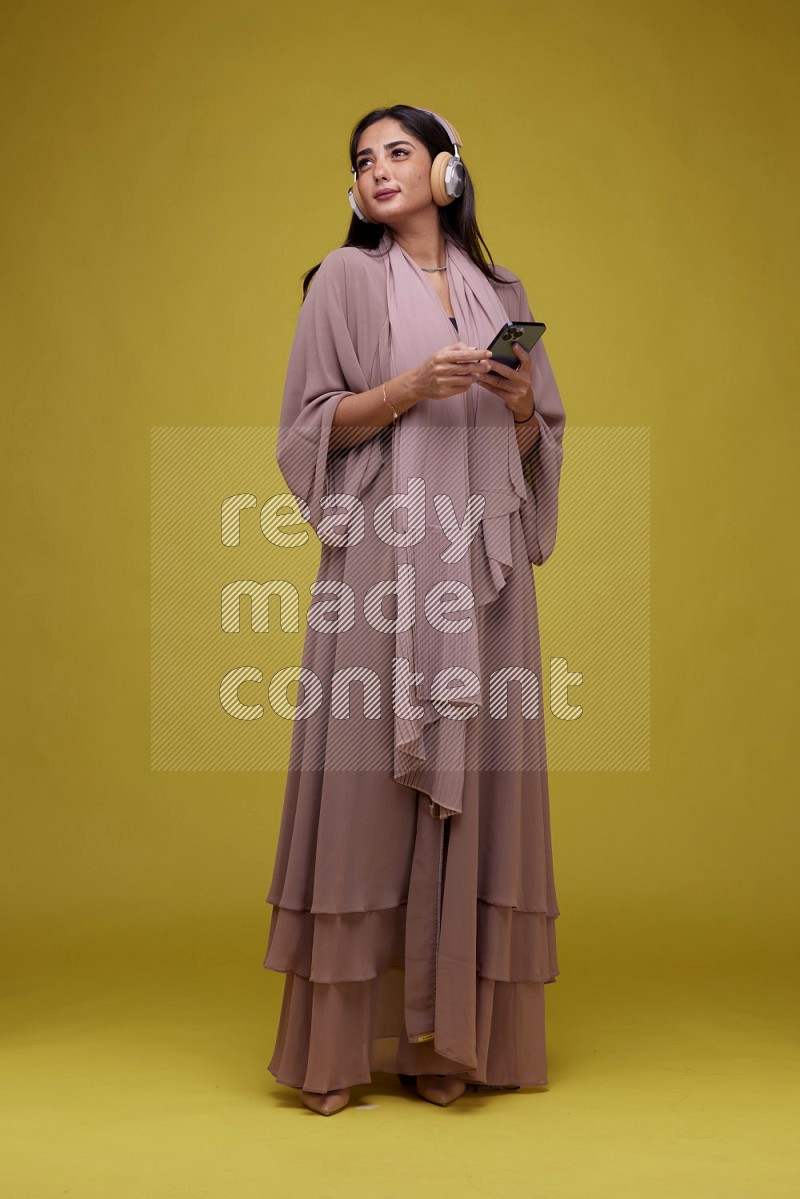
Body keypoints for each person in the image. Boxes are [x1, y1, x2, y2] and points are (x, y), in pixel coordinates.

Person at [262, 104, 566, 1116]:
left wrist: (516, 404)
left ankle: (449, 1045)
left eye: (398, 151)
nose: (378, 169)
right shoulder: (343, 280)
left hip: (480, 576)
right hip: (386, 562)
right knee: (361, 789)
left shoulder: (500, 292)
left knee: (475, 786)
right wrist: (405, 388)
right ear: (353, 190)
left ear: (446, 169)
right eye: (362, 160)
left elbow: (539, 436)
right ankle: (335, 1050)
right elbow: (307, 424)